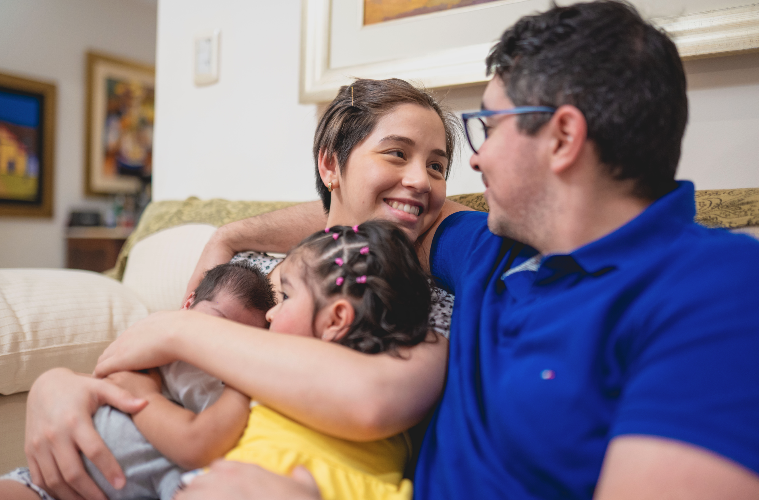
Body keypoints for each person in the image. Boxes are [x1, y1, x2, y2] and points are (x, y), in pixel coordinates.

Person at [139, 1, 759, 498]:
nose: (474, 158)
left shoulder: (717, 285)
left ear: (562, 136)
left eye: (488, 127)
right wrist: (232, 236)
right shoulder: (485, 246)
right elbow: (366, 213)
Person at [9, 78, 466, 500]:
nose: (421, 180)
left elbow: (374, 401)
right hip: (123, 452)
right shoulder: (249, 270)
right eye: (396, 153)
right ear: (331, 164)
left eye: (437, 165)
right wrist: (60, 385)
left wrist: (181, 326)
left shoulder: (427, 302)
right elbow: (148, 366)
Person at [1, 261, 275, 500]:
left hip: (162, 481)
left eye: (239, 340)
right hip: (57, 479)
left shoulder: (228, 386)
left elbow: (199, 441)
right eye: (217, 323)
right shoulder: (157, 337)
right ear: (188, 304)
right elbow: (109, 379)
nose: (220, 344)